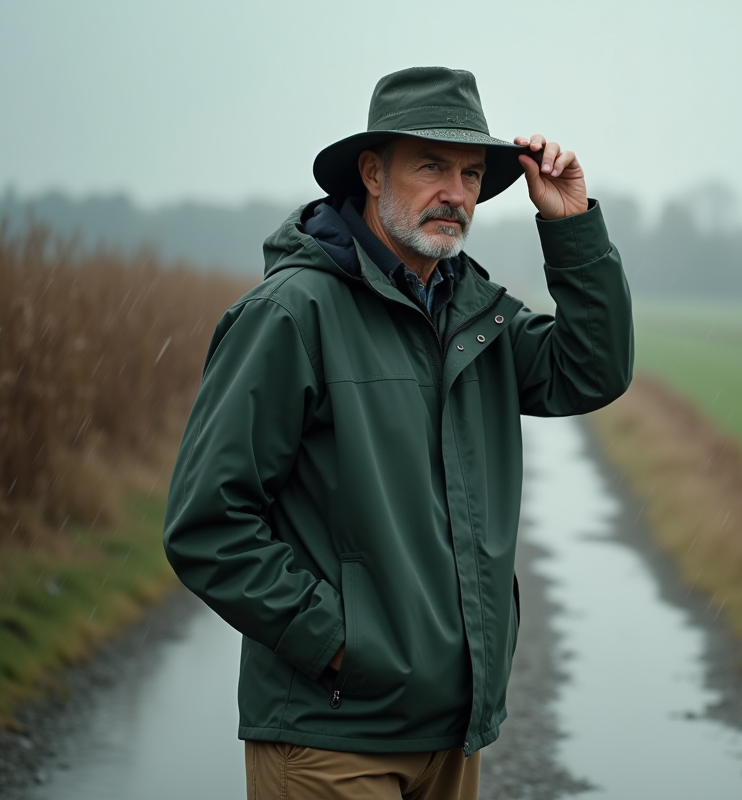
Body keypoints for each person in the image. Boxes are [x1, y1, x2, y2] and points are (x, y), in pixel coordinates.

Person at [162, 66, 633, 799]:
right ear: (373, 172)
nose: (456, 192)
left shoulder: (478, 320)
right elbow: (207, 524)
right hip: (331, 738)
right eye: (432, 166)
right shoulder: (292, 313)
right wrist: (343, 645)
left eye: (473, 173)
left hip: (453, 736)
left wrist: (570, 224)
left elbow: (593, 368)